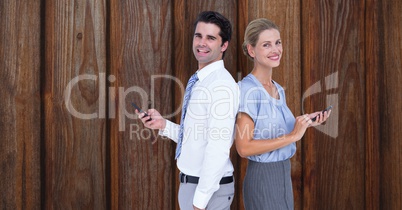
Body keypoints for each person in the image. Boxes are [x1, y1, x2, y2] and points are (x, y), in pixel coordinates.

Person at [136, 11, 239, 210]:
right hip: (192, 186)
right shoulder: (201, 80)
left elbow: (218, 147)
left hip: (207, 191)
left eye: (211, 38)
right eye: (198, 36)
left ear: (224, 45)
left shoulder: (221, 86)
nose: (202, 43)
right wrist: (163, 125)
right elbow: (196, 137)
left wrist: (199, 202)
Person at [235, 18, 331, 209]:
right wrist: (293, 135)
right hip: (263, 179)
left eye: (278, 42)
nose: (275, 49)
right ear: (251, 50)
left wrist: (304, 123)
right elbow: (243, 147)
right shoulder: (247, 90)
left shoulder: (277, 88)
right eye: (266, 44)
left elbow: (272, 130)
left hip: (283, 175)